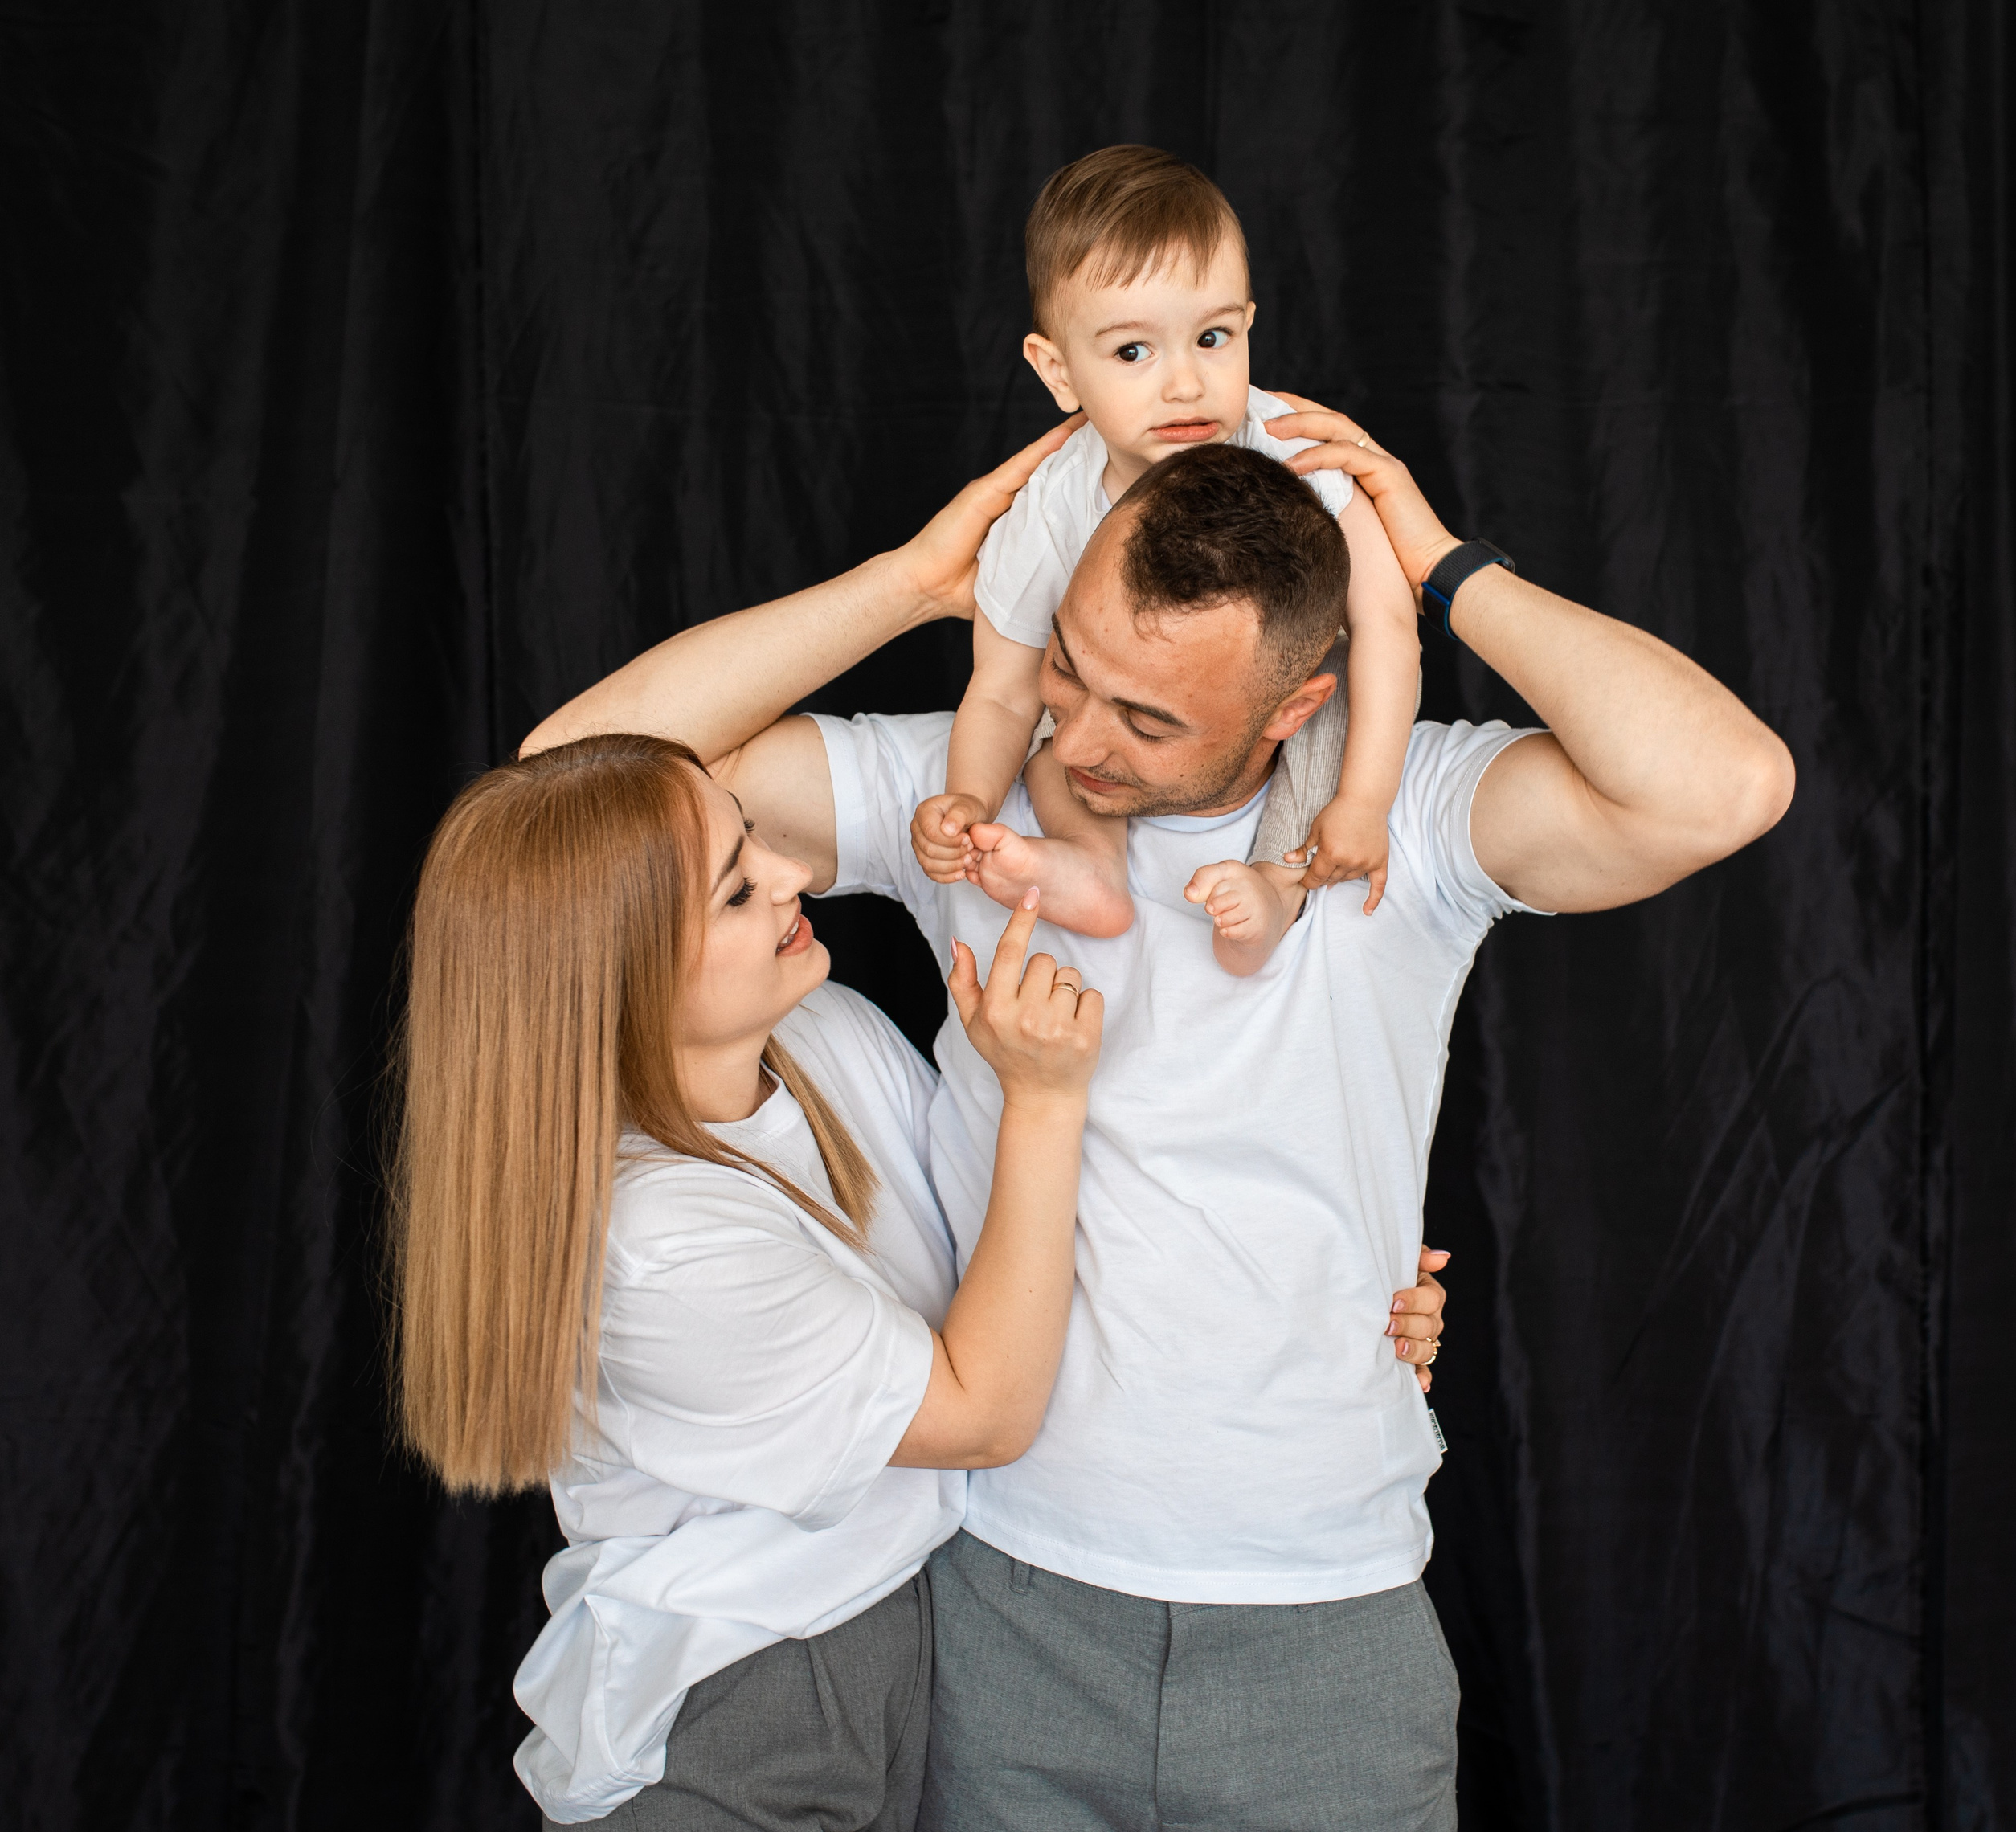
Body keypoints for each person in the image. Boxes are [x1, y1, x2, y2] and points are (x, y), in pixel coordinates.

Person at [528, 404, 1793, 1828]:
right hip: (1000, 1605)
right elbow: (570, 782)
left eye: (1149, 719)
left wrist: (1439, 564)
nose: (1077, 738)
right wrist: (910, 585)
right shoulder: (967, 790)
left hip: (1327, 1617)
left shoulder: (1401, 819)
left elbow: (1727, 786)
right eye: (1070, 667)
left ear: (1294, 707)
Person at [388, 730, 1114, 1826]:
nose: (796, 874)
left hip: (899, 1646)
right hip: (738, 1706)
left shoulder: (820, 1032)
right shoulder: (657, 1248)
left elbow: (1008, 1258)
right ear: (621, 980)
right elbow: (985, 1412)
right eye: (737, 891)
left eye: (756, 839)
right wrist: (1046, 1100)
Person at [911, 145, 1424, 973]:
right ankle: (1091, 863)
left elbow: (1389, 626)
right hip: (1130, 748)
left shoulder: (1301, 450)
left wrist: (1365, 802)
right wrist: (968, 799)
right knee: (1057, 739)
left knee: (1332, 711)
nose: (1185, 384)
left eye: (1212, 338)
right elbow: (1002, 690)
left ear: (1248, 325)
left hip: (1280, 703)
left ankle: (1278, 887)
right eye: (1132, 353)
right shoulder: (1055, 500)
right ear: (1057, 371)